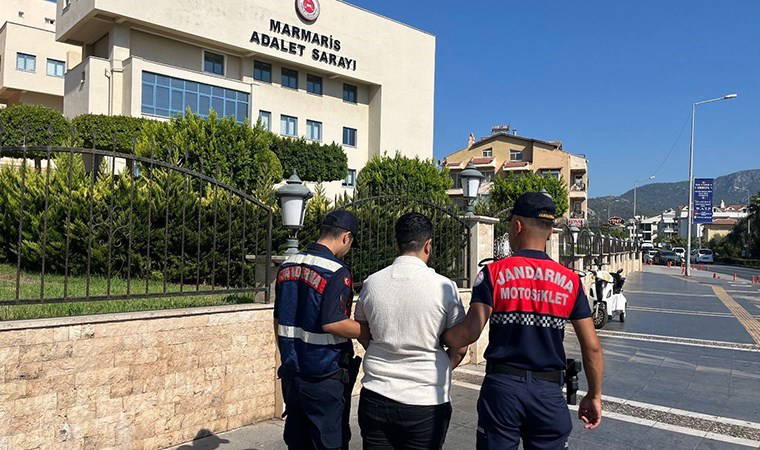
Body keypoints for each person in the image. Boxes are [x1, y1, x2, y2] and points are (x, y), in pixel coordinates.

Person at [441, 192, 605, 450]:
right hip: (548, 393)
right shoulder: (571, 281)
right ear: (550, 232)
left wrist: (439, 335)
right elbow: (592, 347)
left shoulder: (492, 274)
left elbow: (469, 332)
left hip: (503, 390)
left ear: (517, 226)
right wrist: (594, 395)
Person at [355, 212, 468, 450]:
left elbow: (364, 332)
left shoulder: (372, 283)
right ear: (428, 245)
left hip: (376, 393)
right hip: (426, 399)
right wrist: (441, 367)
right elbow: (460, 347)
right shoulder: (445, 287)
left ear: (397, 245)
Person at [274, 210, 365, 450]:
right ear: (346, 237)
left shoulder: (288, 265)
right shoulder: (336, 271)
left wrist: (288, 354)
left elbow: (278, 320)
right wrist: (368, 331)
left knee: (298, 441)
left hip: (292, 374)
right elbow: (334, 323)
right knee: (329, 443)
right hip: (324, 374)